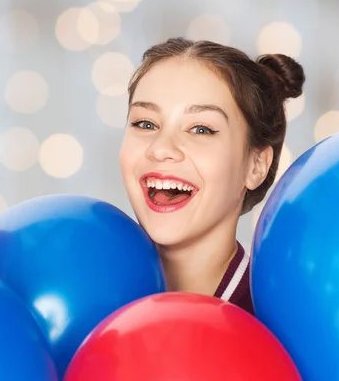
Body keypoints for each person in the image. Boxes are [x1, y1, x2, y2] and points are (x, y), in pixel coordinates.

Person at [119, 37, 305, 315]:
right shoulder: (87, 295)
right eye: (145, 123)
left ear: (256, 165)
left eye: (201, 129)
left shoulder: (281, 325)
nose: (161, 148)